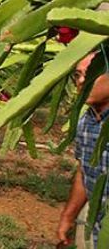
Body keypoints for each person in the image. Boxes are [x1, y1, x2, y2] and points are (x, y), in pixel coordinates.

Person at [57, 52, 109, 247]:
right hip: (93, 224)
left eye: (91, 74)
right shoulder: (84, 122)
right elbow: (84, 171)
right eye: (77, 75)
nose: (81, 81)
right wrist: (67, 217)